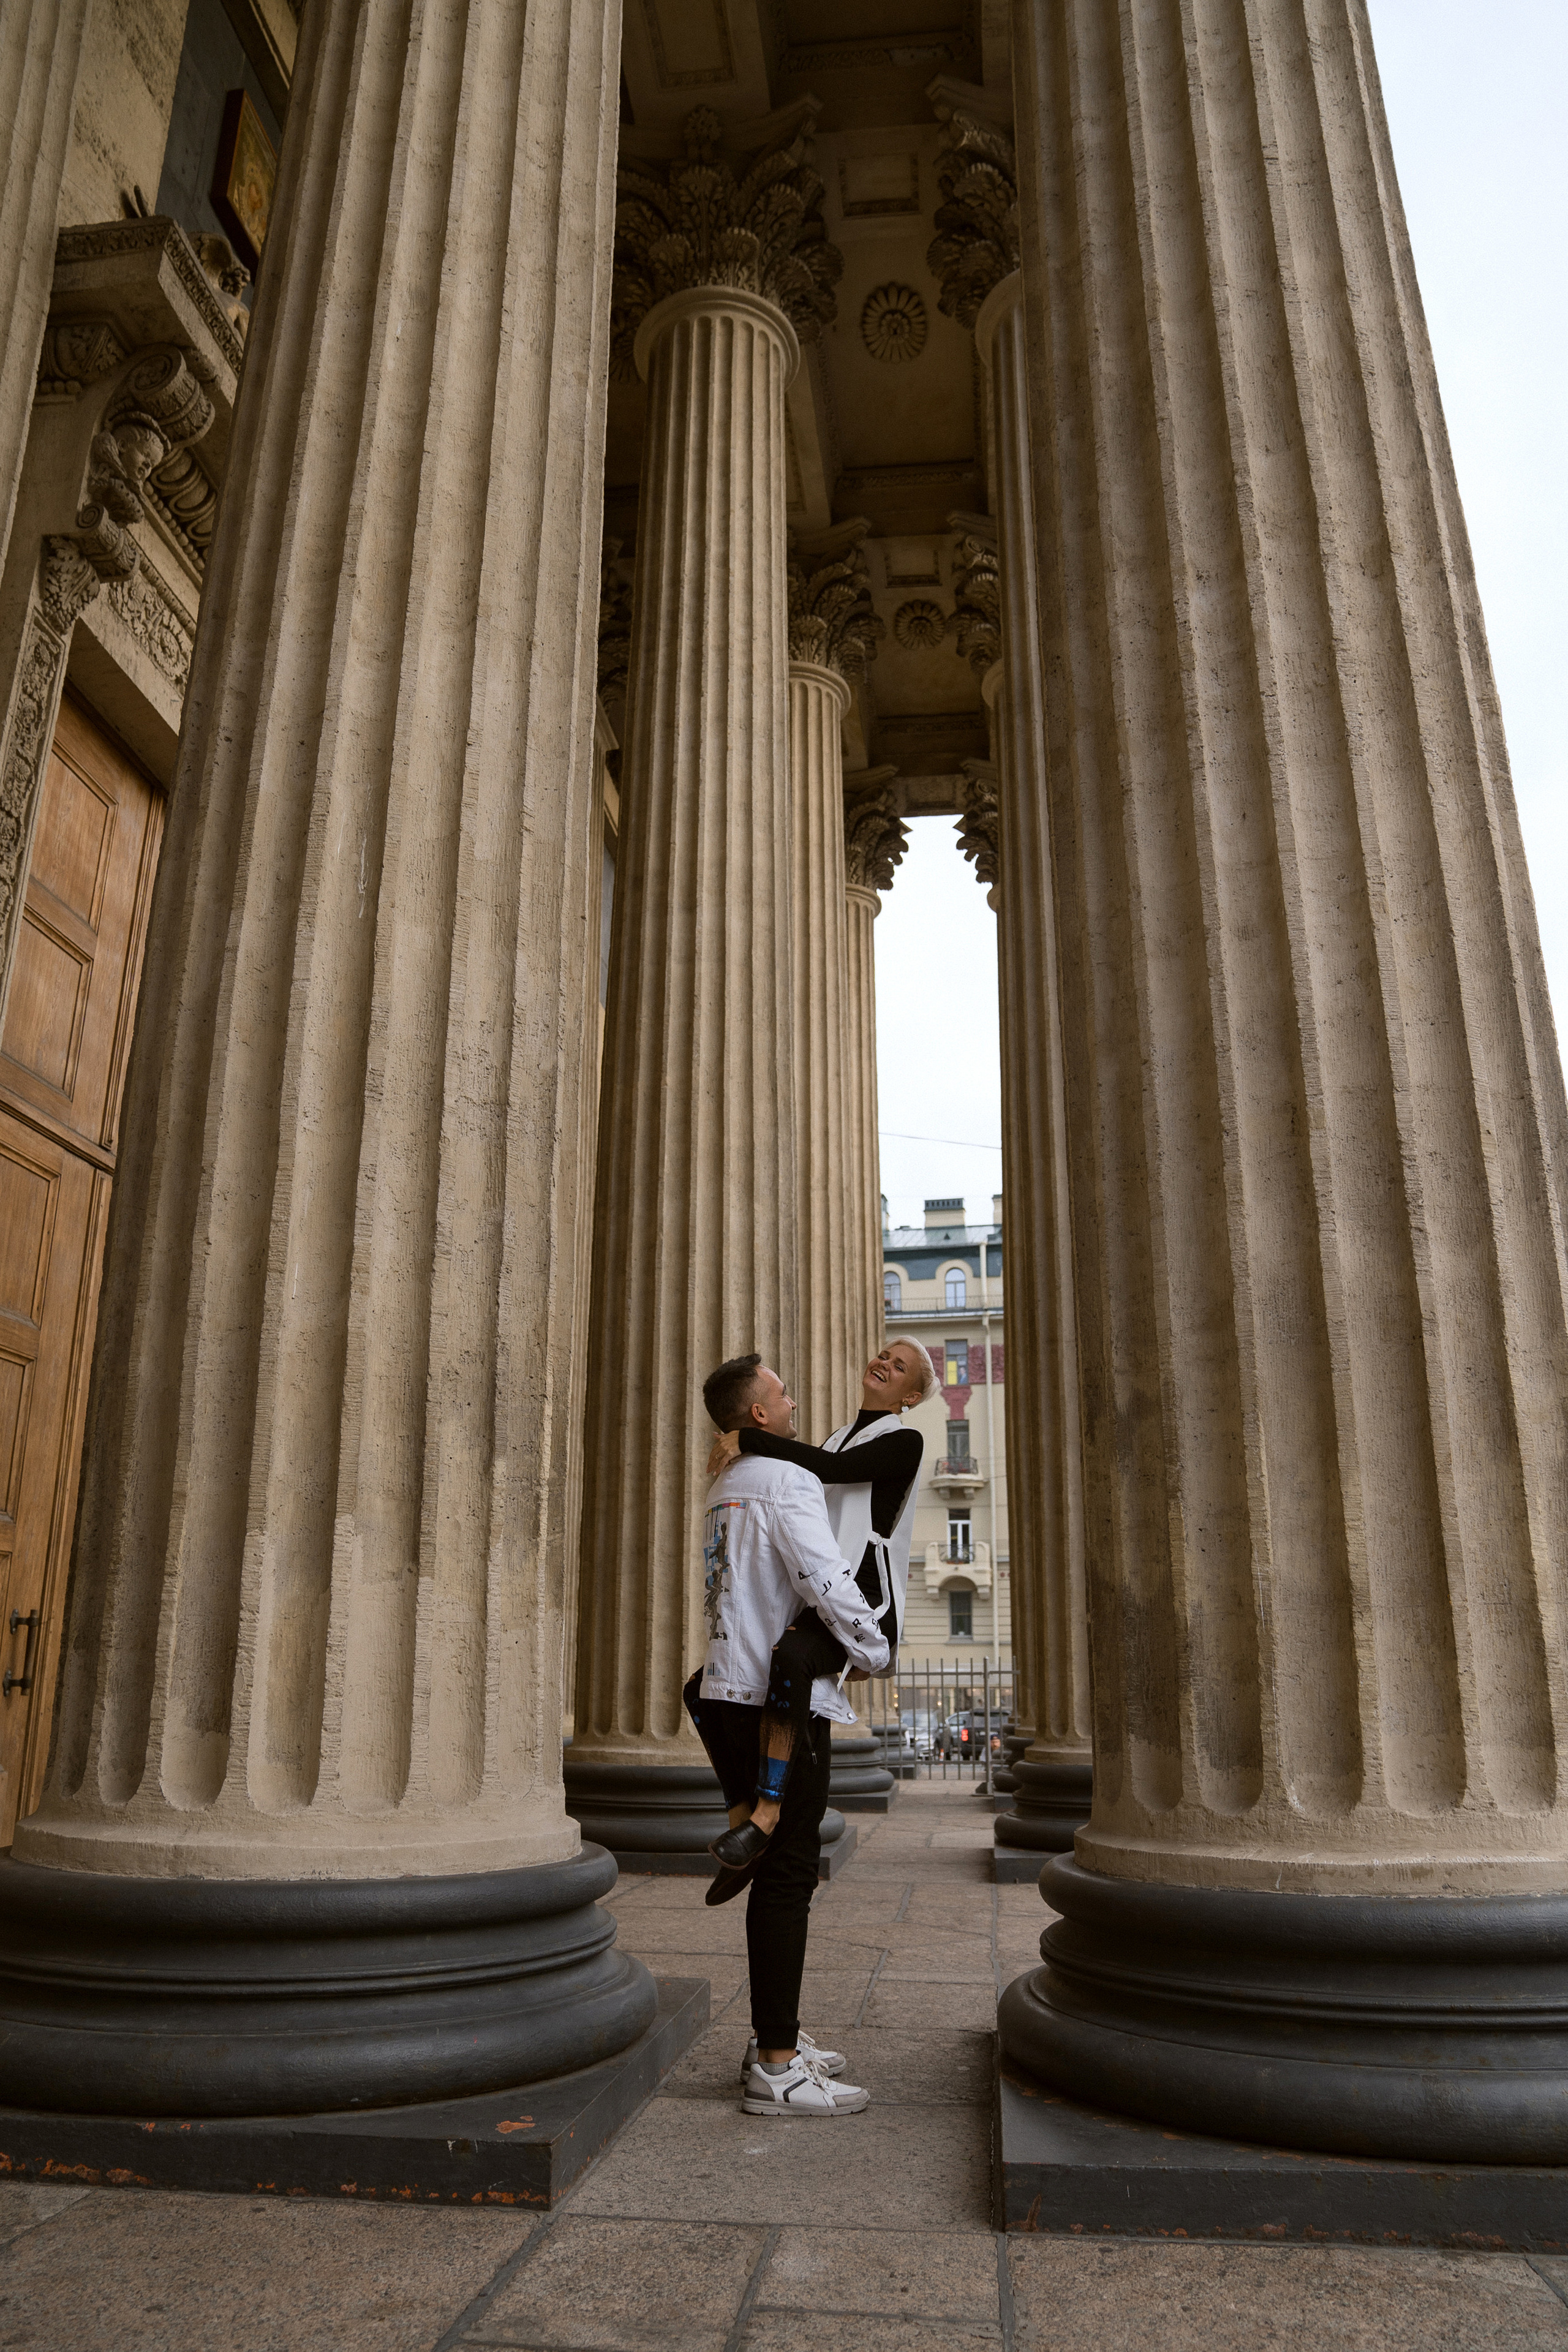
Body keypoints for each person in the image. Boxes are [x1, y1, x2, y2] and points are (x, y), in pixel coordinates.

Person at [684, 1353, 889, 2117]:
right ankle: (776, 2065)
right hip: (782, 1703)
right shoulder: (785, 1482)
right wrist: (873, 1651)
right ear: (759, 1416)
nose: (793, 1398)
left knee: (774, 1870)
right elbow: (825, 1577)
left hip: (732, 1688)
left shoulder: (727, 1485)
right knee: (787, 1878)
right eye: (781, 1392)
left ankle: (778, 2036)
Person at [704, 1338, 937, 1864]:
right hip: (822, 1599)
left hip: (867, 1603)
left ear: (912, 1396)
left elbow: (826, 1472)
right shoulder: (835, 1438)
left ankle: (767, 1813)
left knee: (790, 1658)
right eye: (884, 1354)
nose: (883, 1363)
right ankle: (742, 1819)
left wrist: (750, 1437)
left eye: (899, 1367)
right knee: (703, 1687)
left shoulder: (907, 1440)